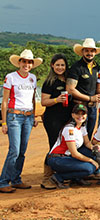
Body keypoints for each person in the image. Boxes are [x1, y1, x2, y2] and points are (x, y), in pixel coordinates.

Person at [0, 49, 42, 193]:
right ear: (19, 62)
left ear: (32, 64)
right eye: (24, 61)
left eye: (29, 62)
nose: (26, 64)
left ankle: (16, 179)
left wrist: (34, 116)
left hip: (28, 116)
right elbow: (4, 101)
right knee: (14, 150)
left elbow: (32, 100)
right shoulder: (11, 77)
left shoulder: (33, 78)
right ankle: (4, 181)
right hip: (14, 116)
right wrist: (4, 122)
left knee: (22, 151)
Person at [47, 104, 100, 189]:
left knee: (92, 153)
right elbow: (74, 154)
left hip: (67, 157)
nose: (80, 116)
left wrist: (95, 147)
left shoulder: (82, 127)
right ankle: (58, 177)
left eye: (83, 114)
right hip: (58, 159)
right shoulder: (69, 129)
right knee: (89, 168)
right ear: (73, 115)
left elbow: (87, 143)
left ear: (86, 115)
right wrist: (91, 161)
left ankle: (76, 178)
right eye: (77, 114)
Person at [40, 53, 72, 189]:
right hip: (52, 118)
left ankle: (60, 173)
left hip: (67, 118)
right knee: (54, 145)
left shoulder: (69, 81)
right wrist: (56, 100)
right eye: (57, 65)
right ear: (52, 65)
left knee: (65, 146)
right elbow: (43, 102)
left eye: (62, 65)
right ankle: (47, 176)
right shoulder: (49, 82)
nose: (60, 67)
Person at [66, 38, 100, 139]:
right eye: (86, 50)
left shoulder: (97, 67)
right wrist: (90, 98)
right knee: (77, 136)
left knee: (89, 134)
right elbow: (70, 89)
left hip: (92, 108)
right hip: (79, 107)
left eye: (92, 51)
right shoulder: (76, 67)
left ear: (95, 52)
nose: (89, 53)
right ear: (82, 51)